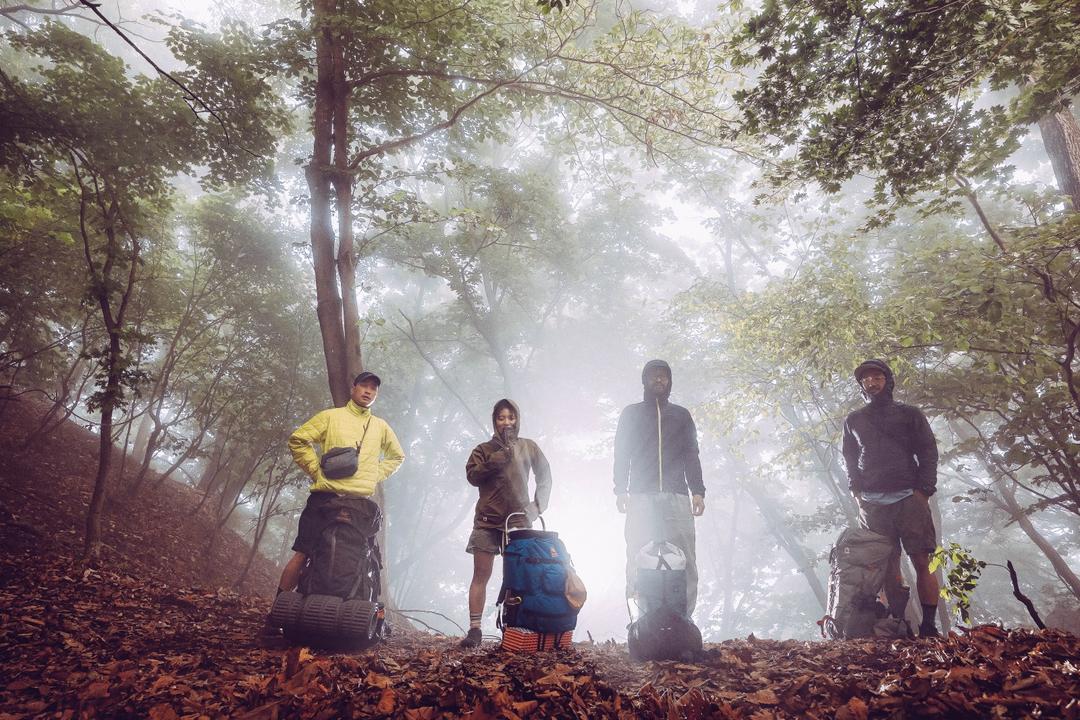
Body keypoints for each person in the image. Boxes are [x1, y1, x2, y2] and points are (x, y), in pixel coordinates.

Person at [274, 371, 405, 599]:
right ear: (353, 388)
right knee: (302, 554)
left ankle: (341, 620)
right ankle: (276, 614)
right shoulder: (331, 417)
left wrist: (373, 475)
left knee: (357, 559)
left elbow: (397, 457)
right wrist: (316, 471)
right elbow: (298, 440)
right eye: (364, 386)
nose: (368, 391)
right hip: (324, 497)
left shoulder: (380, 426)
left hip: (359, 505)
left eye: (373, 388)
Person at [842, 358, 941, 637]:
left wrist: (924, 490)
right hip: (872, 504)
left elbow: (928, 451)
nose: (871, 382)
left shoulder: (910, 414)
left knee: (922, 560)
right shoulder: (854, 420)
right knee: (886, 566)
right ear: (861, 385)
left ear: (888, 380)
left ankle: (929, 626)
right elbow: (849, 457)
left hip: (910, 497)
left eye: (877, 377)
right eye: (866, 379)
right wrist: (856, 491)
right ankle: (898, 624)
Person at [614, 359, 705, 617]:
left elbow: (691, 453)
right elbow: (621, 453)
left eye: (664, 376)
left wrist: (698, 490)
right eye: (653, 375)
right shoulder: (631, 414)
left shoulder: (681, 415)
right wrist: (620, 489)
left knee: (686, 558)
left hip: (677, 496)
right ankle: (638, 619)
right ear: (645, 380)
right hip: (641, 496)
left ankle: (685, 621)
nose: (659, 379)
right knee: (636, 556)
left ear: (670, 381)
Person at [460, 399, 552, 648]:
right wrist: (496, 459)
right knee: (481, 574)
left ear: (517, 420)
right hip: (488, 520)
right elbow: (472, 476)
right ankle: (475, 630)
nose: (506, 422)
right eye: (501, 418)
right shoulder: (483, 449)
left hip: (519, 521)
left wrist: (537, 507)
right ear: (495, 421)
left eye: (511, 417)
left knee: (519, 577)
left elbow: (545, 475)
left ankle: (515, 629)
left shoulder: (529, 446)